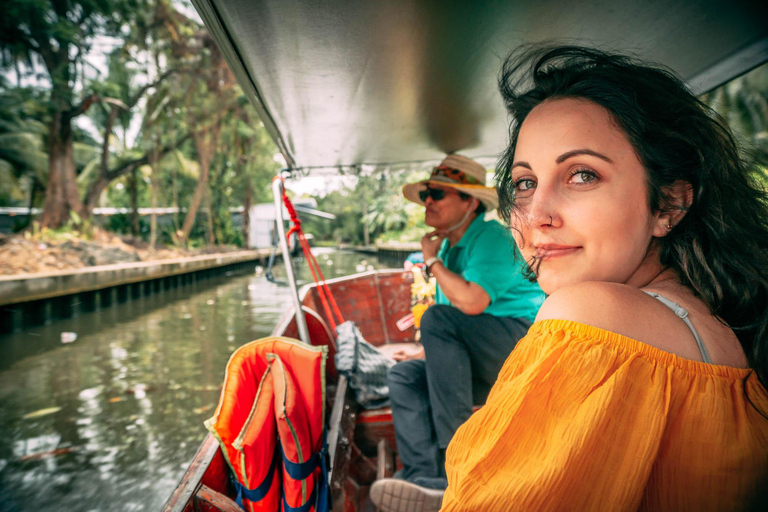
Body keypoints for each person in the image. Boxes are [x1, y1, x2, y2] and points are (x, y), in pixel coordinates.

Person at [440, 46, 768, 511]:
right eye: (525, 182)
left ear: (668, 204)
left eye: (581, 175)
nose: (536, 216)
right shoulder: (718, 323)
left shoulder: (593, 319)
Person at [370, 154, 545, 512]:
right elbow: (452, 334)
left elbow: (471, 303)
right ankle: (425, 476)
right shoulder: (449, 247)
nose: (428, 202)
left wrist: (430, 260)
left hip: (519, 348)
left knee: (437, 318)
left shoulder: (493, 237)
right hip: (482, 357)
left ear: (470, 202)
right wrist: (420, 356)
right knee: (403, 375)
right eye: (425, 196)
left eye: (437, 193)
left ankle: (457, 466)